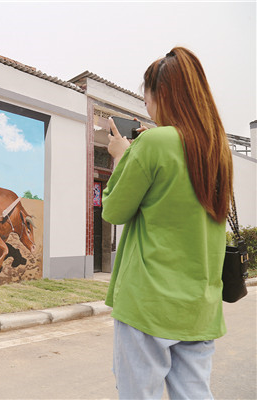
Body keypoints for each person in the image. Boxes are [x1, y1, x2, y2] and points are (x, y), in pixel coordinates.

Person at [102, 47, 233, 399]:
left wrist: (122, 155)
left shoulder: (154, 143)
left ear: (161, 95)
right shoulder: (216, 148)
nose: (146, 105)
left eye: (146, 97)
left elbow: (113, 210)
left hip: (149, 300)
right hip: (199, 305)